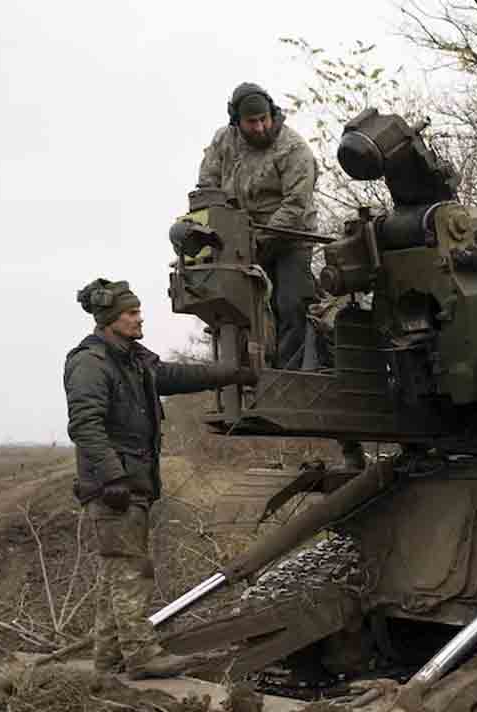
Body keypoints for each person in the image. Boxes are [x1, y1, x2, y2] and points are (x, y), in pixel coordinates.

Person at [65, 279, 255, 679]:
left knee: (117, 571)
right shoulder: (90, 363)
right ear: (109, 320)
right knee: (131, 570)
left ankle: (109, 657)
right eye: (131, 313)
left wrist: (229, 374)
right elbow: (85, 426)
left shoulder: (133, 359)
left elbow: (174, 375)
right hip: (114, 486)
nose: (139, 318)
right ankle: (141, 656)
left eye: (138, 312)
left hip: (133, 481)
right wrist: (113, 476)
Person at [197, 81, 320, 370]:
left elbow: (296, 205)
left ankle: (289, 377)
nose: (260, 127)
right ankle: (248, 374)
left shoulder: (293, 148)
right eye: (252, 122)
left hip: (291, 236)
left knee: (290, 305)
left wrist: (260, 241)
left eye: (264, 119)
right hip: (240, 238)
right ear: (236, 122)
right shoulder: (223, 142)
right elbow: (207, 189)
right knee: (237, 309)